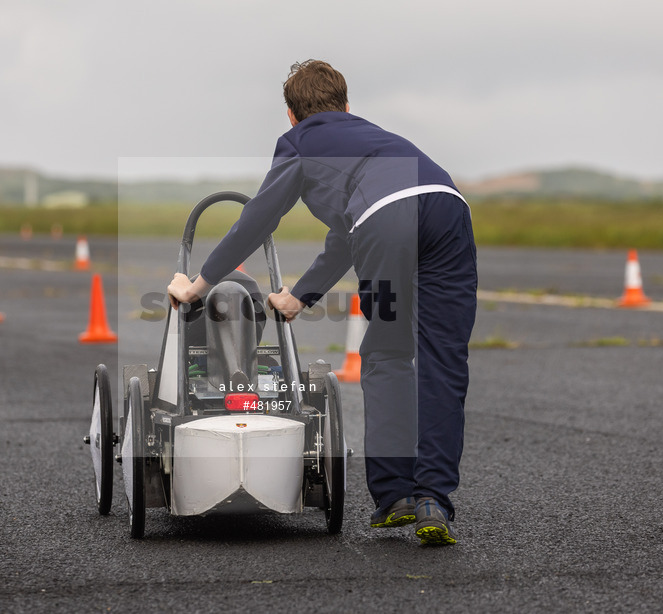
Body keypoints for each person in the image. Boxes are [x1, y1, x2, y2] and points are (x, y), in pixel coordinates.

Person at [167, 60, 477, 546]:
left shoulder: (299, 142)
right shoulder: (372, 136)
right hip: (449, 206)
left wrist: (198, 285)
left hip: (387, 223)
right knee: (445, 361)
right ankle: (435, 497)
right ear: (347, 106)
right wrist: (298, 297)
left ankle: (396, 495)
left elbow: (257, 219)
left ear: (291, 116)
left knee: (389, 352)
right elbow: (347, 237)